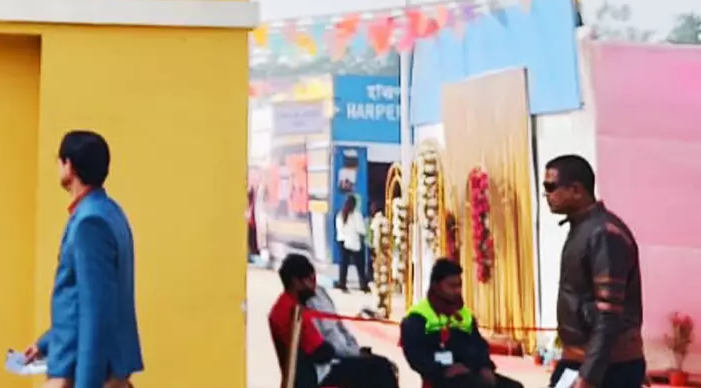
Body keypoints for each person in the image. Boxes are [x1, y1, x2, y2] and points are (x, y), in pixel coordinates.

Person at [20, 130, 144, 388]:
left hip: (82, 372)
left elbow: (95, 312)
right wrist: (45, 343)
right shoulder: (108, 212)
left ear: (69, 166)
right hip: (86, 366)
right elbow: (82, 301)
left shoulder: (90, 222)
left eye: (60, 160)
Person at [544, 155, 645, 388]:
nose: (547, 194)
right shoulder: (584, 229)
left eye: (551, 186)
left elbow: (608, 312)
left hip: (604, 367)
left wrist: (588, 375)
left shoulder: (603, 234)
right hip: (585, 361)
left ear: (576, 190)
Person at [268, 254, 397, 388]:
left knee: (376, 366)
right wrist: (351, 354)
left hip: (318, 367)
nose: (313, 287)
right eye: (310, 281)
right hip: (319, 374)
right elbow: (321, 351)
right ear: (296, 281)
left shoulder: (285, 305)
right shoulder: (294, 311)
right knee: (382, 369)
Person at [401, 258, 520, 388]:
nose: (457, 291)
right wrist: (443, 370)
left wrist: (485, 366)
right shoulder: (418, 315)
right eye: (452, 286)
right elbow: (415, 354)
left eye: (459, 285)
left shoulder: (465, 314)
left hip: (471, 371)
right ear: (436, 286)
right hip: (441, 376)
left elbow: (479, 345)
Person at [335, 195, 367, 293]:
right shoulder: (357, 215)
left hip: (342, 241)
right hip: (354, 242)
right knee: (360, 265)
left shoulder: (340, 214)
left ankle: (342, 283)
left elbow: (339, 229)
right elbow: (361, 230)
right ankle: (363, 285)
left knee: (344, 264)